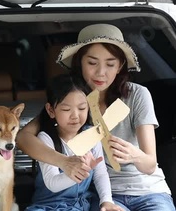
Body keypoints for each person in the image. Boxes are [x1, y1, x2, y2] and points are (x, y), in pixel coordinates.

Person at [17, 24, 175, 211]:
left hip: (149, 192)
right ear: (79, 62)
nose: (101, 73)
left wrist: (134, 155)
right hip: (103, 195)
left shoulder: (137, 95)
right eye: (92, 63)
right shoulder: (73, 99)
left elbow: (149, 165)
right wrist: (63, 162)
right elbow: (23, 138)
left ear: (120, 66)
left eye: (110, 64)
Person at [26, 74, 121, 211]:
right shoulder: (46, 139)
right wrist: (80, 172)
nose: (75, 116)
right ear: (51, 110)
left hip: (80, 205)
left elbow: (100, 173)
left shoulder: (92, 134)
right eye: (66, 109)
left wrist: (106, 201)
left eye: (82, 108)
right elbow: (52, 183)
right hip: (48, 206)